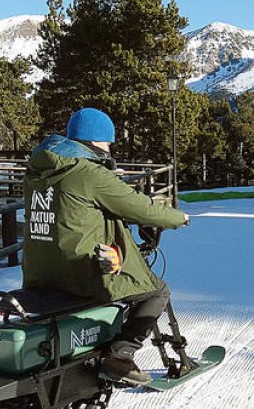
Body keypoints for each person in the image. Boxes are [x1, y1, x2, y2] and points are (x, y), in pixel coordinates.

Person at [21, 107, 190, 385]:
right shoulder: (88, 173)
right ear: (94, 141)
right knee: (156, 291)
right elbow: (139, 207)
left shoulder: (38, 172)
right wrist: (178, 218)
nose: (110, 147)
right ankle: (119, 356)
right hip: (79, 274)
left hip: (39, 274)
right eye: (108, 142)